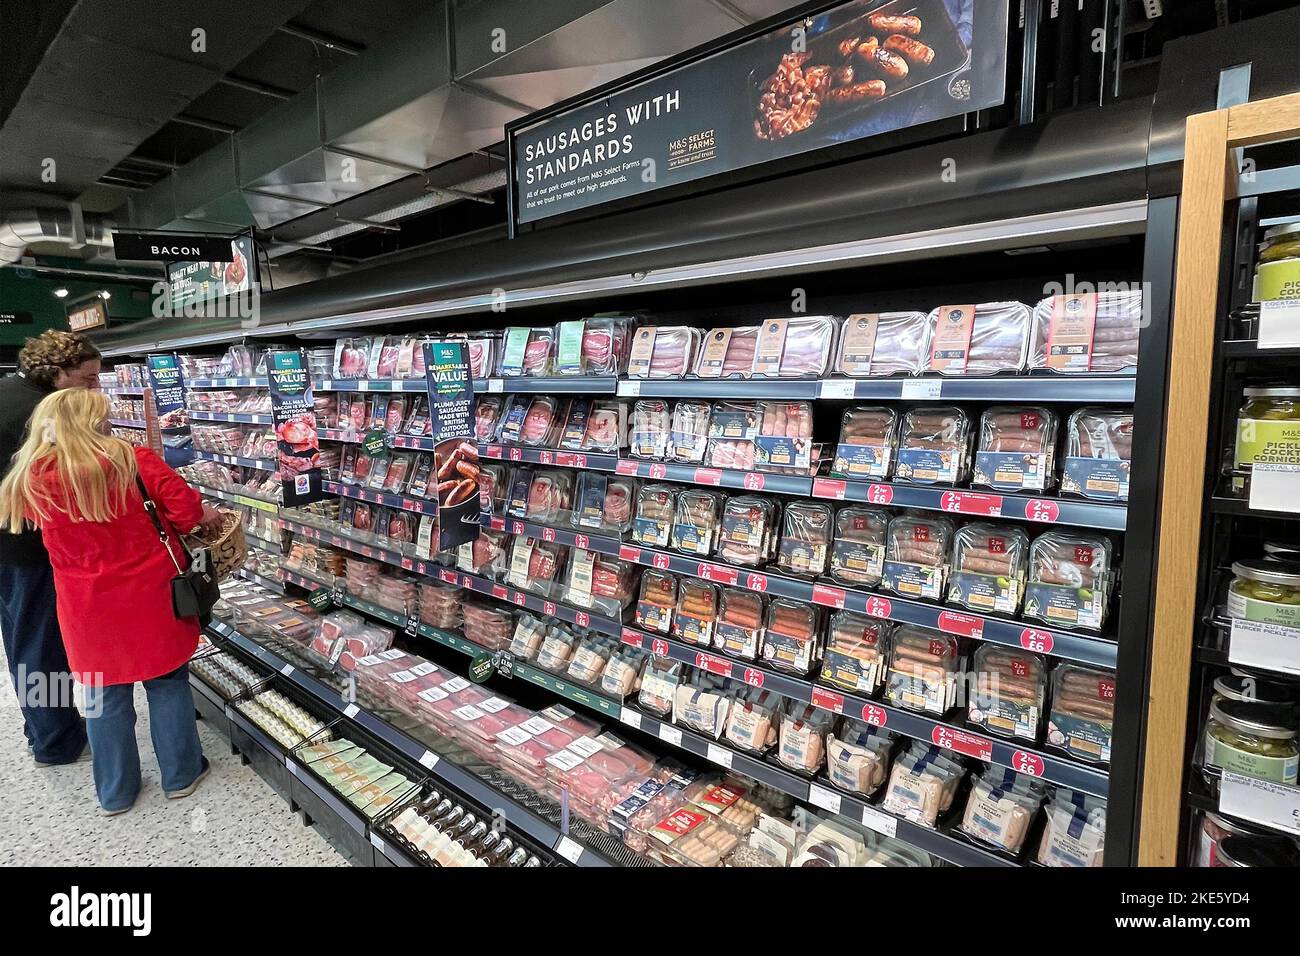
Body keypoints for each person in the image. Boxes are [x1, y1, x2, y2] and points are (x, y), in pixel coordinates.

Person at [0, 387, 225, 814]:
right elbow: (187, 513)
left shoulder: (32, 474)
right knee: (167, 682)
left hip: (85, 606)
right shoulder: (132, 460)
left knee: (103, 696)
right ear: (94, 421)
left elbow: (31, 521)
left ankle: (116, 792)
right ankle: (181, 775)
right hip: (152, 595)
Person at [0, 330, 101, 767]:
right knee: (41, 644)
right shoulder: (39, 414)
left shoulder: (6, 388)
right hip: (29, 547)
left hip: (8, 544)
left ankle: (41, 725)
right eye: (88, 378)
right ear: (58, 373)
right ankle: (57, 740)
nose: (94, 387)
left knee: (22, 639)